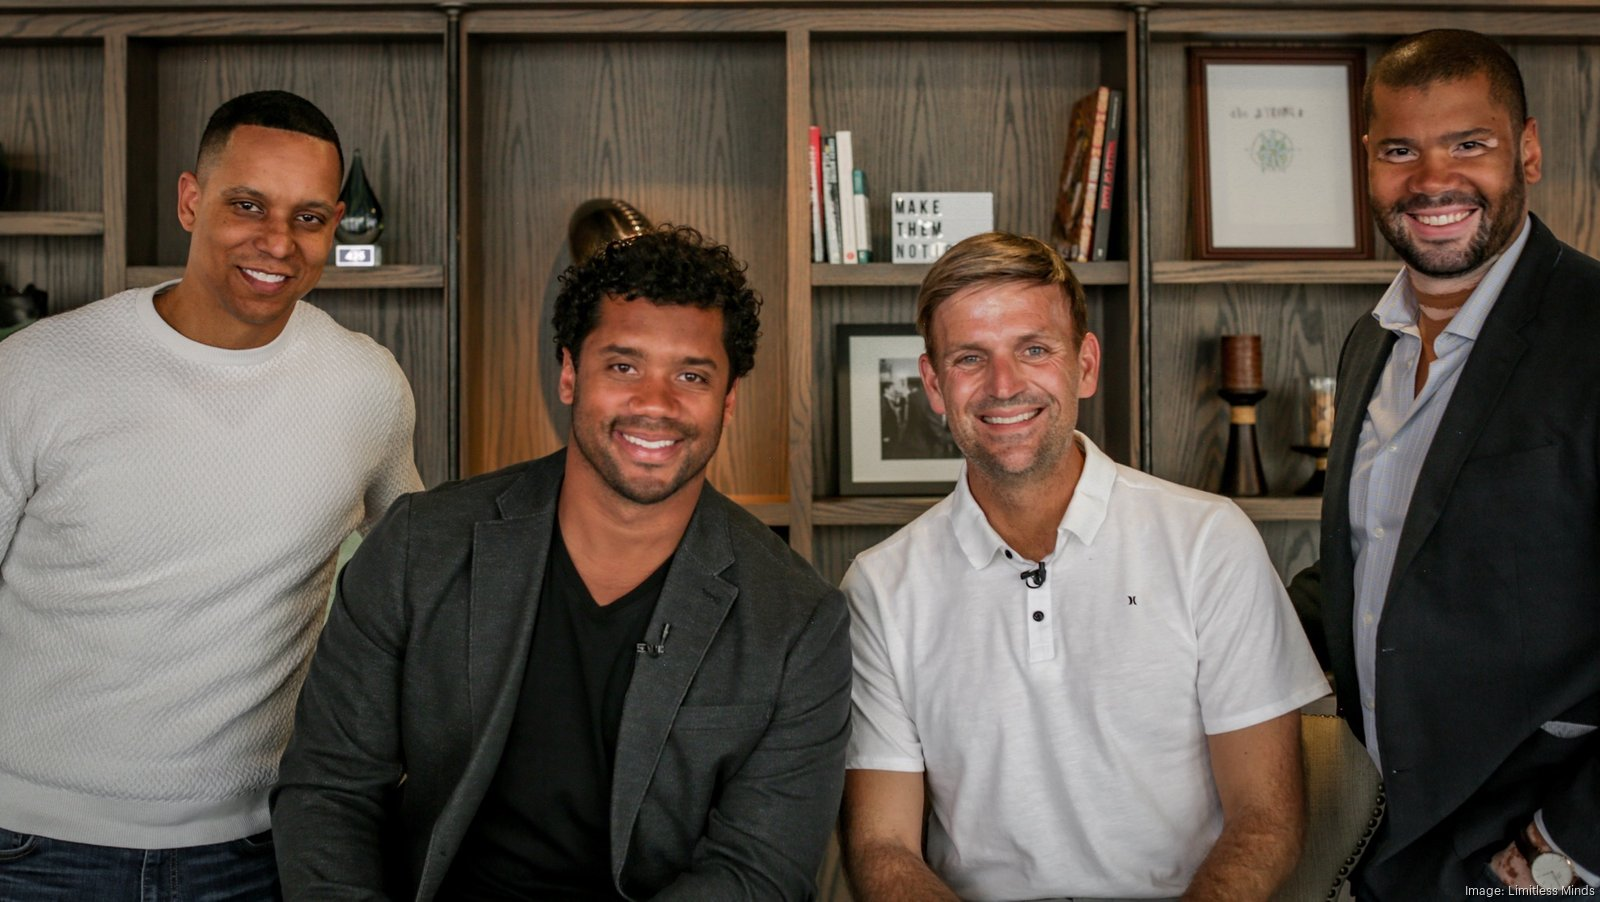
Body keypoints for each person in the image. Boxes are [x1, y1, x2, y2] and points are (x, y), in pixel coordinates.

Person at [272, 225, 852, 901]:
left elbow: (759, 872)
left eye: (691, 376)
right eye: (624, 367)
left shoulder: (798, 620)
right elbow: (329, 790)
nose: (655, 404)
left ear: (728, 400)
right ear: (571, 374)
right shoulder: (418, 547)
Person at [0, 90, 420, 899]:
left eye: (308, 217)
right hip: (32, 849)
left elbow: (420, 579)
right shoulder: (35, 372)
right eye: (248, 205)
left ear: (335, 225)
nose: (278, 242)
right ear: (191, 201)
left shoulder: (367, 385)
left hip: (258, 852)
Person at [839, 232, 1329, 901]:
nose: (1004, 385)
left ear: (1086, 365)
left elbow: (1266, 819)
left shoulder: (1208, 542)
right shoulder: (880, 587)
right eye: (970, 358)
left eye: (1034, 350)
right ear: (933, 384)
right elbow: (882, 846)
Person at [1289, 29, 1600, 898]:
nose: (1432, 181)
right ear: (1367, 161)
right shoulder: (1370, 344)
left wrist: (1564, 849)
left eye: (1469, 144)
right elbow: (1378, 561)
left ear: (1527, 150)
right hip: (1395, 845)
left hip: (1539, 858)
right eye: (1401, 151)